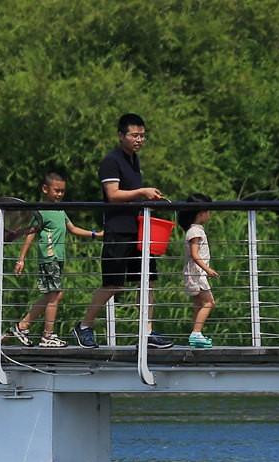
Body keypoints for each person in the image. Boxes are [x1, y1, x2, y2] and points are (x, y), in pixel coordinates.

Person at [72, 113, 173, 350]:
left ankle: (147, 331)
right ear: (121, 136)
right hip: (118, 229)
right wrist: (142, 192)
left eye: (142, 135)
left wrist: (148, 197)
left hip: (138, 229)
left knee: (147, 280)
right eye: (134, 135)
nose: (139, 140)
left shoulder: (133, 160)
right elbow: (113, 194)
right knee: (113, 283)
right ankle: (84, 326)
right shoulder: (112, 160)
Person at [10, 168, 105, 347]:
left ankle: (23, 326)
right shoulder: (42, 211)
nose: (60, 194)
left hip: (59, 258)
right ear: (45, 189)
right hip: (49, 257)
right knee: (54, 295)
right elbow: (30, 233)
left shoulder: (60, 210)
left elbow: (73, 228)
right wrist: (21, 259)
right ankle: (47, 336)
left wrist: (96, 234)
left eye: (62, 191)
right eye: (57, 190)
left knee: (54, 295)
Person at [180, 195, 218, 348]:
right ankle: (196, 333)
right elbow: (195, 255)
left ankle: (196, 334)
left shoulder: (193, 230)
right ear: (201, 212)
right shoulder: (196, 231)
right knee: (209, 302)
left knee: (198, 304)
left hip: (194, 273)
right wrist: (208, 269)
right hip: (197, 274)